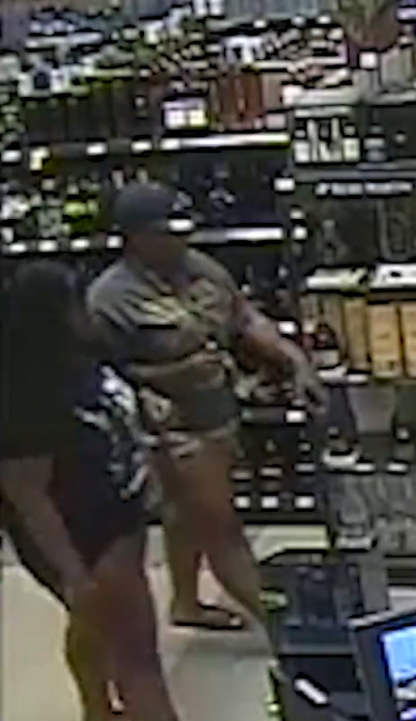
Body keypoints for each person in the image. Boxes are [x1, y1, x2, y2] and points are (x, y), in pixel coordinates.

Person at [86, 182, 327, 634]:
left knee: (185, 515)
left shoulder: (201, 269)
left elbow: (245, 318)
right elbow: (100, 377)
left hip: (216, 415)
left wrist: (293, 360)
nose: (180, 241)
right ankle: (286, 631)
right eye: (166, 233)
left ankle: (185, 602)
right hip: (170, 432)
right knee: (220, 525)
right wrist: (165, 377)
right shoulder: (108, 300)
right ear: (134, 237)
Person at [0, 261, 199, 721]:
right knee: (135, 652)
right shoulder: (22, 391)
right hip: (85, 532)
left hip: (119, 510)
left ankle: (98, 714)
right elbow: (28, 495)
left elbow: (115, 397)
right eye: (75, 298)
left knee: (93, 624)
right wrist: (72, 573)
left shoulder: (83, 352)